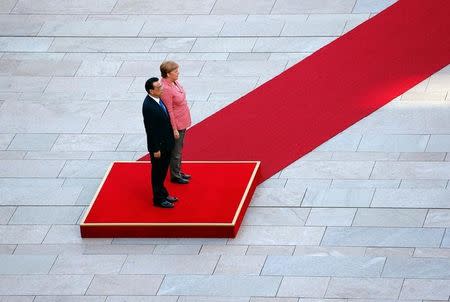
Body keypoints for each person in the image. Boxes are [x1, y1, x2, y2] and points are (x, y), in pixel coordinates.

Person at [142, 77, 178, 208]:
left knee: (163, 171)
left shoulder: (158, 99)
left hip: (166, 143)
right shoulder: (148, 106)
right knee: (158, 172)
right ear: (151, 91)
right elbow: (150, 130)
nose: (162, 89)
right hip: (159, 147)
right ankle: (158, 199)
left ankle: (163, 192)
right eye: (158, 87)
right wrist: (155, 149)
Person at [160, 61, 192, 184]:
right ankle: (175, 175)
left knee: (179, 148)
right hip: (177, 123)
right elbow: (169, 110)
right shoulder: (166, 89)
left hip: (182, 119)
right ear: (168, 74)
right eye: (175, 71)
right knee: (176, 151)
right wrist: (174, 129)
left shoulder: (173, 82)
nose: (178, 73)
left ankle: (177, 170)